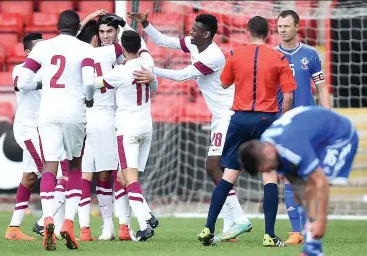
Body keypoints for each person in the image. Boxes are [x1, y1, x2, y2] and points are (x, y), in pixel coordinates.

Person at [129, 10, 250, 241]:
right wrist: (146, 24)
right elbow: (164, 41)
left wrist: (151, 72)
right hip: (219, 117)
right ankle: (230, 224)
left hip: (228, 116)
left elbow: (182, 76)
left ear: (206, 33)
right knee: (218, 170)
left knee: (213, 168)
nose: (190, 31)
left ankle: (240, 219)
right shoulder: (196, 45)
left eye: (195, 29)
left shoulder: (213, 57)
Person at [198, 16, 297, 246]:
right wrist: (280, 121)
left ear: (247, 32)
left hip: (239, 119)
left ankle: (208, 229)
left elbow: (223, 83)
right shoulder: (279, 57)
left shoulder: (234, 54)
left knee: (229, 175)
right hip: (266, 120)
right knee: (269, 176)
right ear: (269, 33)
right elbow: (289, 95)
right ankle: (269, 235)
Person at [17, 10, 98, 250]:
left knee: (49, 165)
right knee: (74, 166)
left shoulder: (43, 48)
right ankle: (69, 224)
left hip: (48, 114)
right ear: (78, 29)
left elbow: (22, 82)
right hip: (74, 113)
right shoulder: (85, 49)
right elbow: (90, 81)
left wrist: (40, 84)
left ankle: (49, 216)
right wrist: (89, 99)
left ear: (57, 26)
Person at [77, 13, 159, 241]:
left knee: (115, 175)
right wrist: (124, 23)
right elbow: (141, 47)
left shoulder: (111, 64)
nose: (105, 36)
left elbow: (92, 83)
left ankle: (131, 223)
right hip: (136, 125)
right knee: (112, 175)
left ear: (119, 40)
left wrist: (89, 96)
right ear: (96, 35)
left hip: (117, 124)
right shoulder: (146, 62)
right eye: (101, 32)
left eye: (109, 31)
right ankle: (121, 225)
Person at [239, 106, 359, 256]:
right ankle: (311, 247)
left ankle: (313, 247)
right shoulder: (267, 143)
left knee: (317, 184)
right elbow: (297, 186)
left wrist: (321, 221)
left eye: (265, 167)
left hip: (339, 136)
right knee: (302, 191)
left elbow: (320, 182)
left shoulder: (290, 147)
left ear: (266, 153)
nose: (268, 171)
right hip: (314, 137)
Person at [275, 9, 331, 245]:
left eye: (286, 26)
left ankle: (311, 224)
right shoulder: (272, 55)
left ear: (297, 26)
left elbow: (321, 88)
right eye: (279, 26)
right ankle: (296, 231)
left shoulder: (310, 54)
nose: (282, 30)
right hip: (283, 123)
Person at [6, 33, 69, 240]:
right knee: (56, 173)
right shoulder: (20, 69)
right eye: (38, 48)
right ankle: (45, 223)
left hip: (44, 129)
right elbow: (21, 84)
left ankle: (14, 229)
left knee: (30, 177)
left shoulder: (50, 70)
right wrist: (45, 82)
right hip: (29, 129)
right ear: (28, 53)